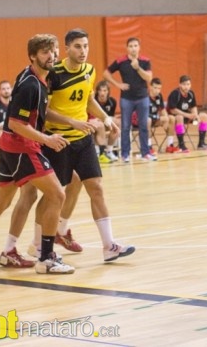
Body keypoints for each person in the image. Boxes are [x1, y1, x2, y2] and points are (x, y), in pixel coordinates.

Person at [0, 34, 79, 274]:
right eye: (45, 52)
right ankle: (47, 259)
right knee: (58, 195)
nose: (52, 55)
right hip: (21, 146)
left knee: (2, 202)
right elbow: (17, 123)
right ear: (33, 56)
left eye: (54, 50)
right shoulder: (31, 85)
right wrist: (47, 139)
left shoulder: (32, 76)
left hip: (10, 145)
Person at [39, 28, 135, 262]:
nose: (83, 51)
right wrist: (71, 121)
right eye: (78, 47)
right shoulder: (54, 74)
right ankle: (39, 245)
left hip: (83, 141)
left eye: (86, 46)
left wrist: (105, 118)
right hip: (59, 142)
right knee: (54, 196)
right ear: (67, 48)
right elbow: (44, 112)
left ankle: (109, 246)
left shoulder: (89, 71)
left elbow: (89, 100)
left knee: (96, 188)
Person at [102, 37, 154, 162]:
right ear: (127, 48)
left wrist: (137, 68)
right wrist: (118, 84)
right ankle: (125, 155)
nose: (133, 48)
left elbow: (149, 78)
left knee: (143, 125)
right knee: (125, 126)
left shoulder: (145, 61)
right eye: (130, 46)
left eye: (135, 45)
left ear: (139, 47)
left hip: (143, 97)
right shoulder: (121, 61)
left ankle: (145, 153)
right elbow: (106, 73)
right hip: (127, 99)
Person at [167, 75, 207, 152]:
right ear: (180, 85)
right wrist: (187, 115)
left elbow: (193, 106)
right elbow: (173, 110)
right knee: (179, 117)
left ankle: (201, 144)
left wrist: (195, 115)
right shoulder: (175, 94)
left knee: (204, 116)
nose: (186, 87)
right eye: (184, 84)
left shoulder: (191, 93)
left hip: (187, 116)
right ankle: (181, 145)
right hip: (175, 117)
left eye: (188, 84)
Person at [91, 80, 119, 164]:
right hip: (92, 122)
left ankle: (109, 151)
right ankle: (98, 153)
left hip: (104, 122)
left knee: (116, 124)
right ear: (97, 91)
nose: (102, 93)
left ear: (108, 92)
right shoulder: (92, 100)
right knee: (100, 126)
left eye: (104, 90)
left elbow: (111, 116)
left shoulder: (112, 102)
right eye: (100, 90)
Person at [148, 77, 175, 154]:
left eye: (159, 88)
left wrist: (166, 118)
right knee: (148, 120)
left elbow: (163, 110)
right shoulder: (145, 97)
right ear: (150, 87)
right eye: (155, 88)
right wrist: (163, 118)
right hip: (143, 120)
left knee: (171, 118)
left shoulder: (159, 96)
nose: (157, 90)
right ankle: (148, 147)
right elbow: (144, 114)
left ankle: (170, 145)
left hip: (155, 119)